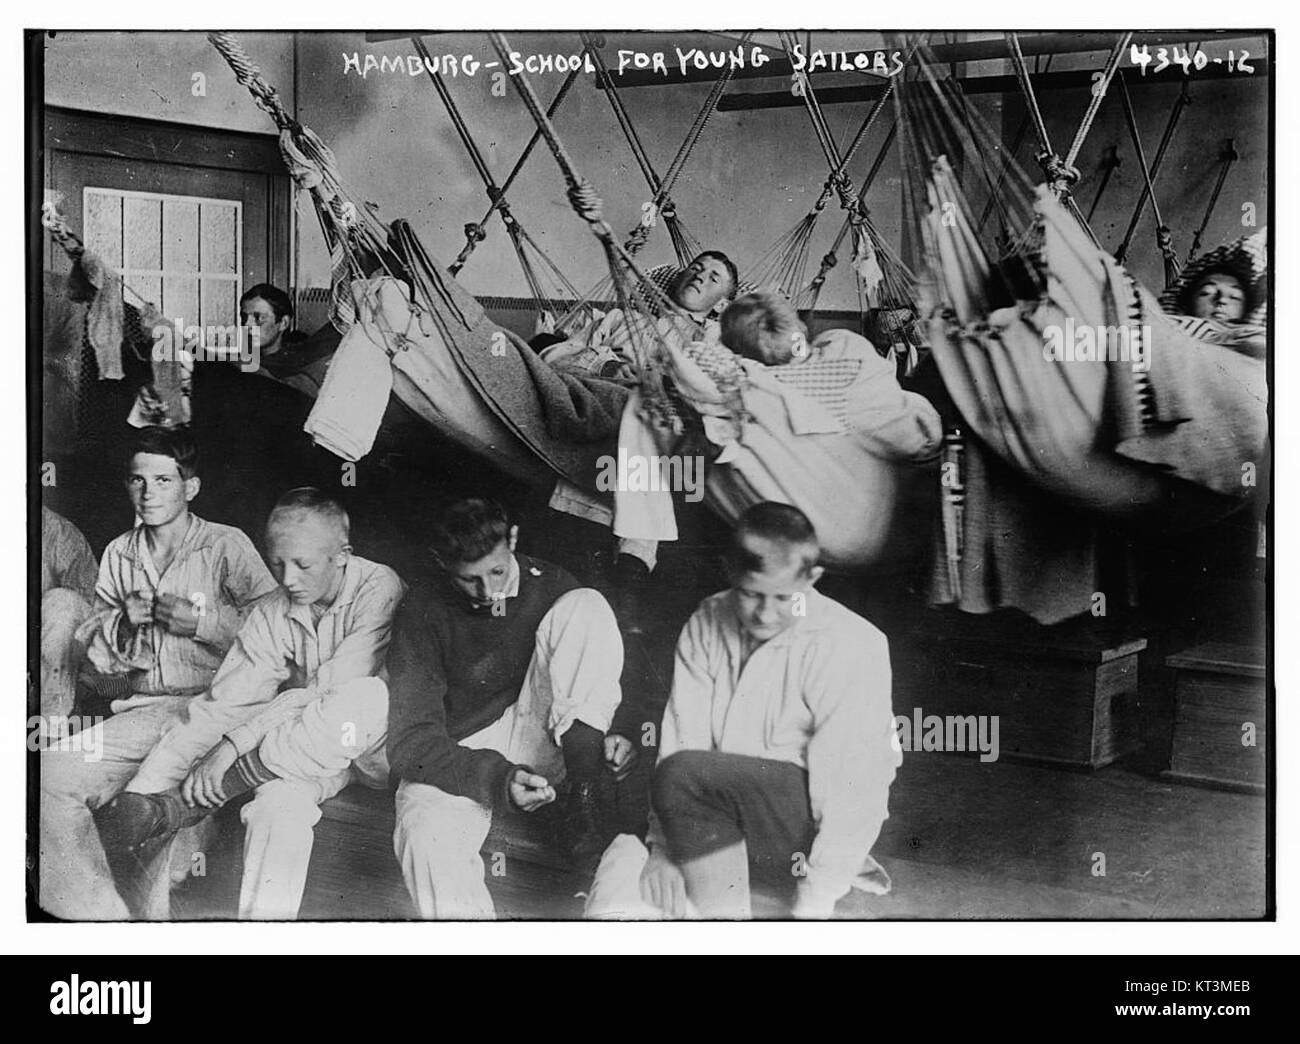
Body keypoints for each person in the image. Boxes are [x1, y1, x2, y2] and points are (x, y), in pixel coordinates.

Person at [96, 488, 405, 920]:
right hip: (295, 755)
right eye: (277, 563)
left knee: (358, 700)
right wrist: (144, 793)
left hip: (373, 748)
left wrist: (231, 747)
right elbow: (223, 704)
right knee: (275, 810)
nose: (288, 579)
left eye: (303, 564)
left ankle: (183, 809)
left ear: (342, 554)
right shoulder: (273, 610)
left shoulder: (379, 586)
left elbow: (327, 695)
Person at [585, 502, 901, 919]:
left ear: (812, 578)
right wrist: (663, 851)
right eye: (751, 594)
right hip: (714, 816)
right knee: (630, 833)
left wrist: (815, 905)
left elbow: (854, 793)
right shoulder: (706, 621)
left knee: (685, 776)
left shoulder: (851, 643)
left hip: (801, 831)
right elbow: (683, 738)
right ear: (729, 571)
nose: (765, 614)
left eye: (784, 597)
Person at [39, 427, 277, 920]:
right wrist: (121, 627)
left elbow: (282, 640)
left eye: (164, 480)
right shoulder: (119, 555)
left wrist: (204, 622)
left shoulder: (226, 546)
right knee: (50, 775)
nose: (148, 494)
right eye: (138, 480)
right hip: (142, 711)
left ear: (190, 487)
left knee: (156, 825)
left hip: (217, 709)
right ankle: (103, 920)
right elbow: (100, 677)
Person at [386, 496, 636, 919]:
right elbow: (410, 742)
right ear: (440, 562)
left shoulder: (556, 585)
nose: (489, 592)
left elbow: (605, 680)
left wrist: (616, 737)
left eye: (497, 571)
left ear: (514, 539)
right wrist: (498, 778)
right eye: (470, 579)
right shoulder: (422, 608)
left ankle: (588, 799)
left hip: (556, 746)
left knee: (587, 603)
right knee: (421, 832)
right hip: (466, 751)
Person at [39, 507, 98, 720]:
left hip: (51, 663)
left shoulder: (58, 532)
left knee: (62, 602)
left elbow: (87, 610)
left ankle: (51, 723)